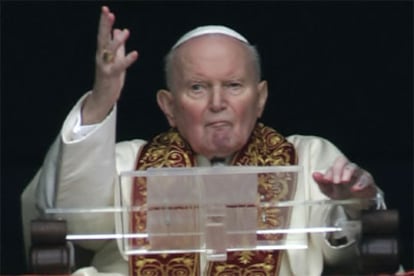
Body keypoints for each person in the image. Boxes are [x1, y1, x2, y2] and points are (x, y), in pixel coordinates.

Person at [21, 6, 383, 276]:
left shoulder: (308, 157)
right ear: (169, 106)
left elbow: (347, 256)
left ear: (260, 99)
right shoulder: (126, 163)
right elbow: (72, 222)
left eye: (233, 86)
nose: (217, 103)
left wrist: (356, 205)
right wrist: (102, 98)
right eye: (197, 87)